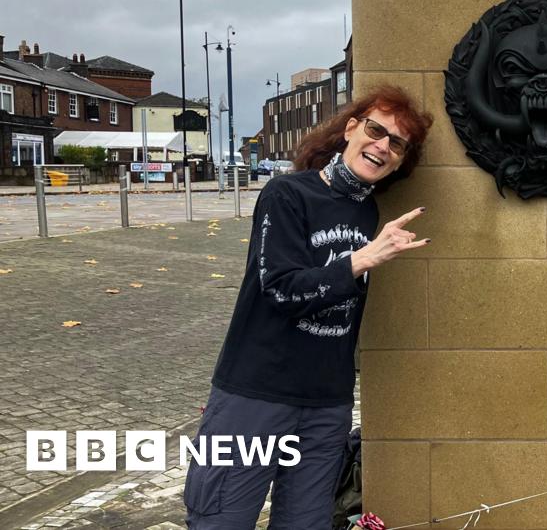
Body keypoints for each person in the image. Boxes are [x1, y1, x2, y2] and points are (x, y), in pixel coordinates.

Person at [184, 86, 434, 529]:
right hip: (255, 394)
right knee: (221, 519)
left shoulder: (368, 214)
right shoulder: (286, 194)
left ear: (400, 162)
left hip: (325, 403)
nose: (383, 146)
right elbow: (280, 290)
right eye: (376, 130)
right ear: (351, 129)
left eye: (397, 144)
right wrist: (361, 260)